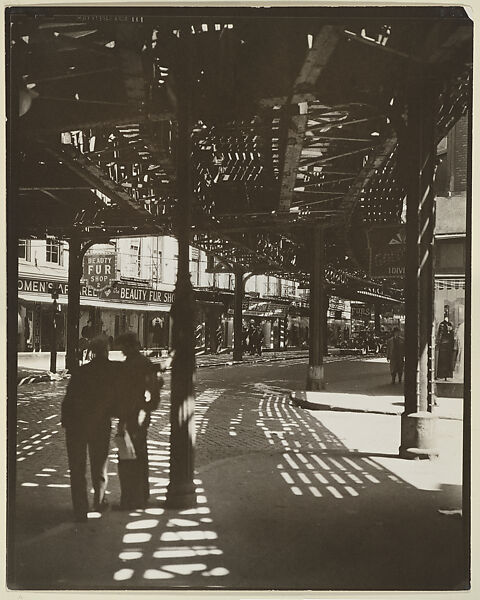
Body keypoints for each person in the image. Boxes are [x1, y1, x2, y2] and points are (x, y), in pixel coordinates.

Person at [61, 336, 116, 522]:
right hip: (100, 425)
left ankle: (80, 509)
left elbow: (69, 398)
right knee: (99, 465)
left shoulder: (81, 371)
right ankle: (99, 501)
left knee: (77, 469)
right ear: (107, 351)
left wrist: (66, 421)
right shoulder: (112, 371)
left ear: (92, 352)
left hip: (76, 425)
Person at [113, 332, 162, 510]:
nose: (122, 351)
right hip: (135, 416)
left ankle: (132, 499)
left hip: (133, 417)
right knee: (137, 456)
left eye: (124, 347)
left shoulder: (136, 365)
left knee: (128, 457)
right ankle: (140, 495)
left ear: (131, 346)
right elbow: (154, 393)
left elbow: (151, 394)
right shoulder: (142, 363)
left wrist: (141, 410)